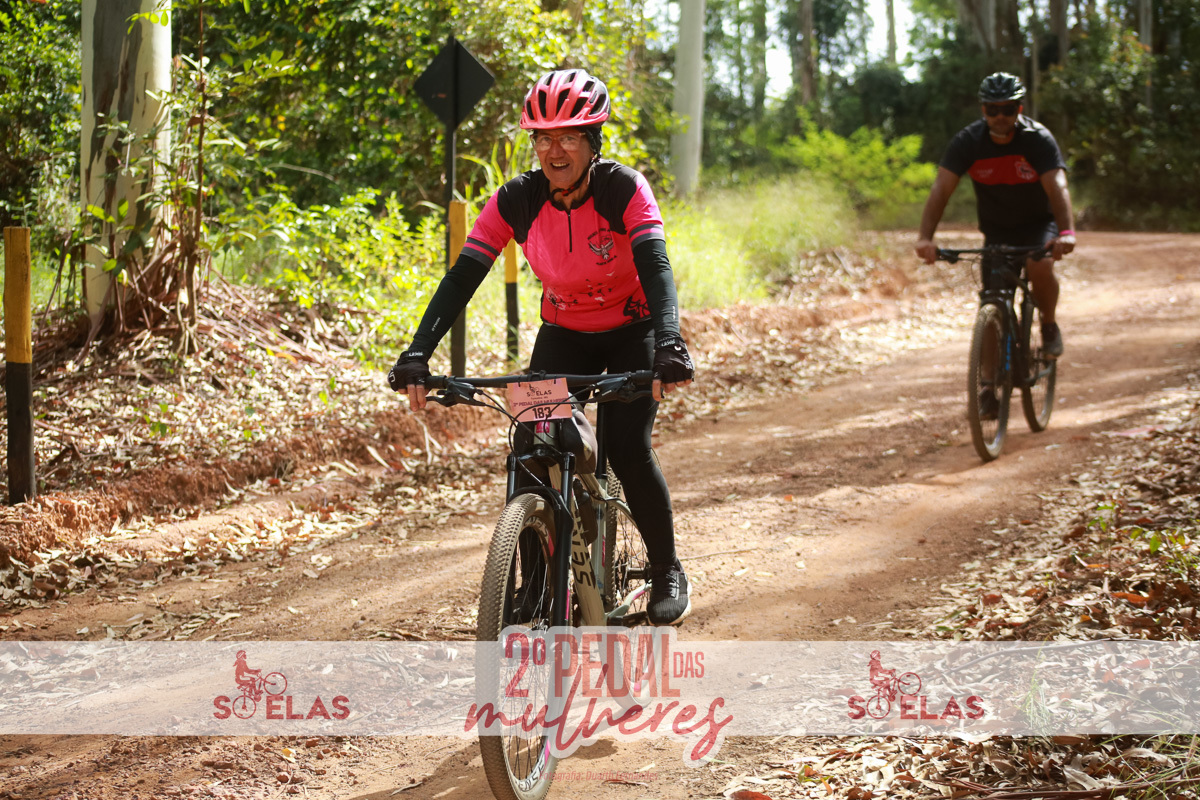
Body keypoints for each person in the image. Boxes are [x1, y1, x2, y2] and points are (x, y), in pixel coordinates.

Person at [387, 68, 695, 626]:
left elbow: (655, 266)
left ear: (592, 141)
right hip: (565, 332)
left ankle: (665, 567)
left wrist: (669, 342)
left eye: (569, 137)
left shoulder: (623, 189)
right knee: (532, 446)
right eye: (543, 138)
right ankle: (531, 585)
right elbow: (463, 276)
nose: (555, 151)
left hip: (634, 328)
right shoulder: (517, 199)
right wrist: (418, 352)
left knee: (627, 447)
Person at [915, 71, 1076, 416]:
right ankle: (988, 388)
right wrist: (925, 238)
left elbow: (1058, 186)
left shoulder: (1037, 140)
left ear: (1019, 109)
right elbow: (941, 188)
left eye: (1008, 109)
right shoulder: (968, 142)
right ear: (983, 110)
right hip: (997, 232)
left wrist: (1066, 232)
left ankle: (1048, 324)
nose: (1000, 116)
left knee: (1039, 265)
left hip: (1038, 225)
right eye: (993, 109)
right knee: (990, 303)